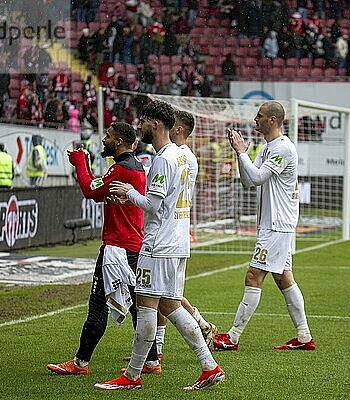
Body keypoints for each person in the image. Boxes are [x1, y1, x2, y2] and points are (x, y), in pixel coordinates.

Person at [97, 100, 224, 391]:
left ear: (155, 124)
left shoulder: (162, 160)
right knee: (170, 305)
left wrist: (129, 193)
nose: (138, 126)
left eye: (142, 121)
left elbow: (153, 206)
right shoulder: (184, 156)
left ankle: (131, 376)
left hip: (158, 244)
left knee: (146, 307)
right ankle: (209, 366)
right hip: (178, 242)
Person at [47, 121, 160, 376]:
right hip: (131, 245)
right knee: (136, 305)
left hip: (117, 248)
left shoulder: (121, 170)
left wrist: (79, 162)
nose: (104, 140)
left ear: (119, 141)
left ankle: (80, 363)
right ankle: (151, 361)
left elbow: (89, 190)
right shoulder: (134, 167)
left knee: (98, 304)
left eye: (107, 136)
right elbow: (99, 193)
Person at [213, 101, 315, 352]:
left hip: (277, 225)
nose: (254, 119)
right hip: (274, 224)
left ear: (272, 120)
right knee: (283, 278)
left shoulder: (283, 148)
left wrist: (241, 152)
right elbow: (250, 182)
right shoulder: (268, 147)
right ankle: (304, 337)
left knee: (253, 275)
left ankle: (233, 337)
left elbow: (257, 177)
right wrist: (242, 155)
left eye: (259, 116)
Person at [151, 110, 217, 360]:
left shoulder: (177, 157)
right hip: (177, 230)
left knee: (168, 298)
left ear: (178, 130)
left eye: (172, 125)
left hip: (171, 231)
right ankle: (155, 350)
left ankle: (201, 327)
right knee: (163, 296)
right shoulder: (183, 156)